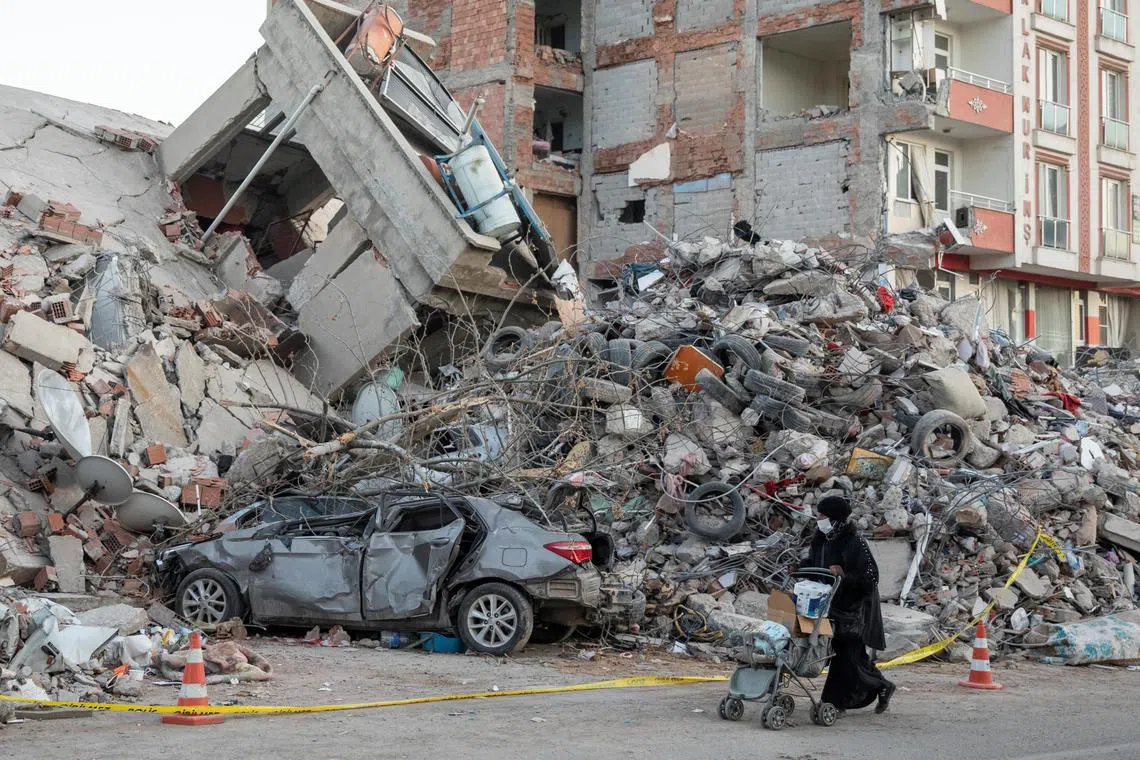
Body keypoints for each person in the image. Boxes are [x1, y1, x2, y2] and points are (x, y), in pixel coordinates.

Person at [805, 494, 896, 715]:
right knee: (846, 655)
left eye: (823, 515)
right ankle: (876, 688)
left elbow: (870, 578)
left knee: (847, 654)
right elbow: (813, 563)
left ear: (835, 518)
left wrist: (844, 575)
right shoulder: (820, 539)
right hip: (827, 605)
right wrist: (800, 567)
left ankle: (835, 702)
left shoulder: (854, 543)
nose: (819, 519)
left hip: (854, 608)